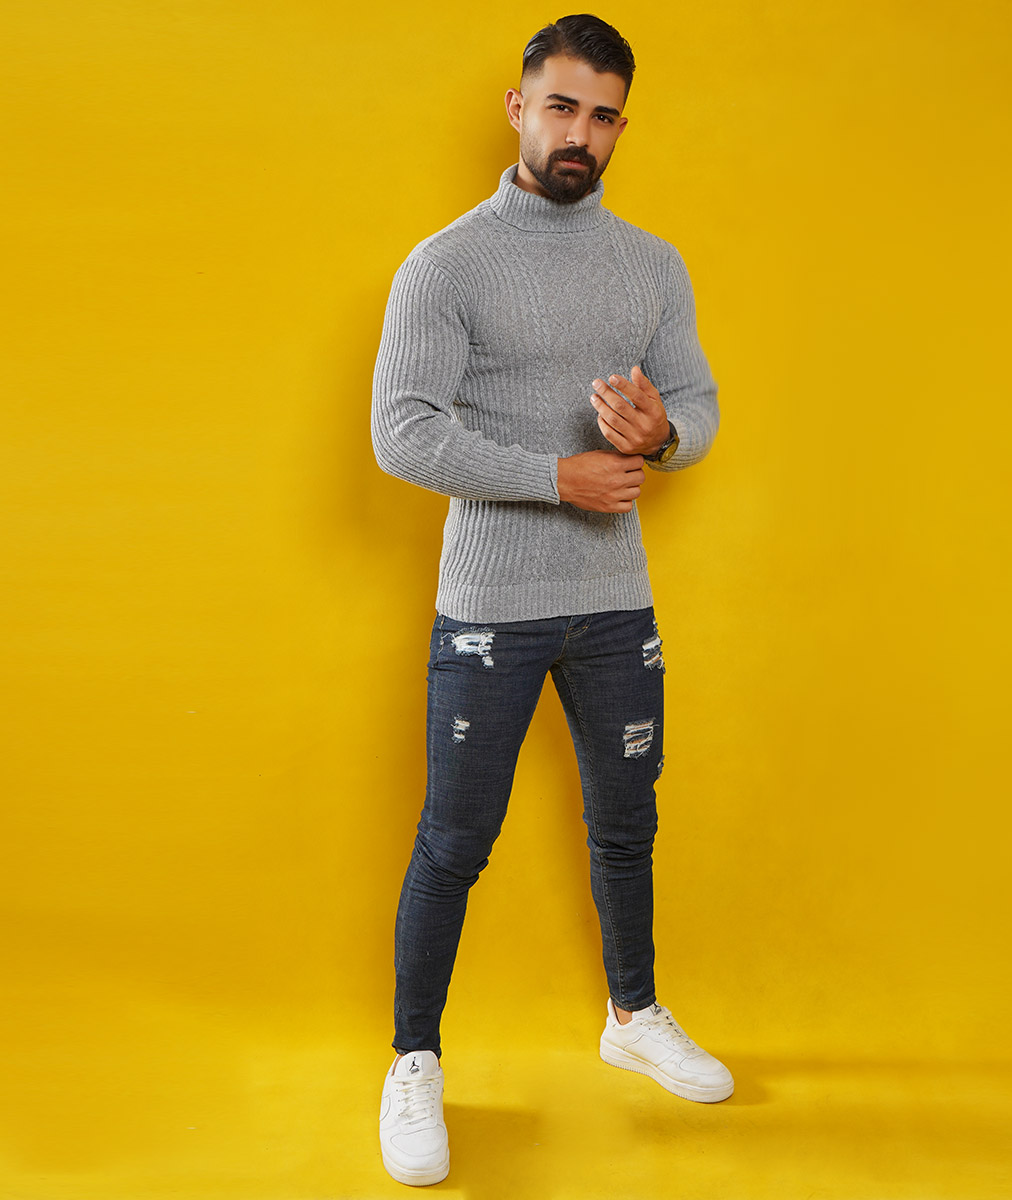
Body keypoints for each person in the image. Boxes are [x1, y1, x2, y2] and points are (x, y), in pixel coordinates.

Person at [370, 13, 731, 1187]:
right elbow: (399, 432)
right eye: (562, 106)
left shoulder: (652, 265)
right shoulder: (446, 264)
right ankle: (414, 1058)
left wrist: (663, 434)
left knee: (628, 822)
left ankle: (632, 1016)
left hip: (615, 600)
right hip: (490, 601)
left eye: (605, 115)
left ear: (622, 127)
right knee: (456, 837)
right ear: (518, 108)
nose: (582, 132)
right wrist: (555, 477)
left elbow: (698, 404)